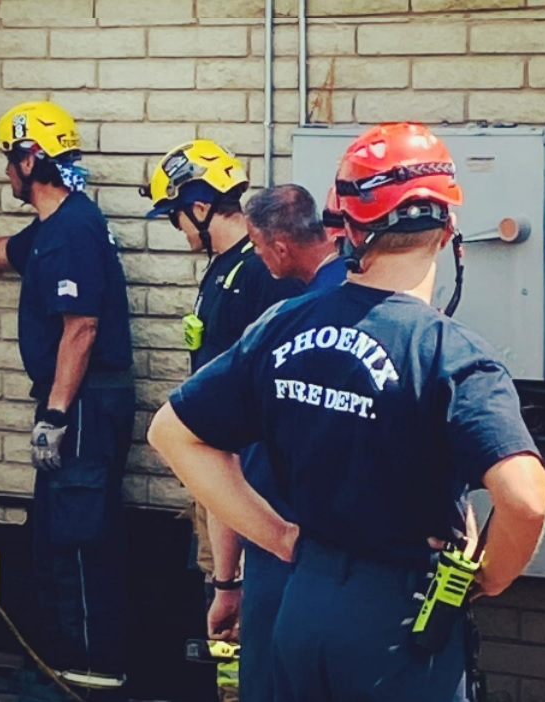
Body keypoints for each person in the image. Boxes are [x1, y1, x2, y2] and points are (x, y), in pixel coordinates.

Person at [146, 122, 545, 701]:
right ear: (448, 228)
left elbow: (171, 433)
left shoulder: (282, 326)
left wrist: (282, 537)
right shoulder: (450, 354)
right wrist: (487, 576)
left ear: (344, 224)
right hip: (399, 619)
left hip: (302, 599)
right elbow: (527, 497)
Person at [0, 101, 134, 692]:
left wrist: (57, 415)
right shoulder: (53, 228)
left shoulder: (71, 235)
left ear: (30, 158)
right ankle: (66, 664)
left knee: (78, 536)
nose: (5, 172)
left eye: (9, 159)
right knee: (58, 531)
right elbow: (11, 251)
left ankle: (90, 676)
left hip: (82, 403)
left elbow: (81, 328)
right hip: (75, 401)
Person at [140, 139, 304, 702]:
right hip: (218, 479)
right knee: (226, 633)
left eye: (175, 216)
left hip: (246, 481)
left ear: (200, 206)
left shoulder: (260, 275)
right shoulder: (223, 271)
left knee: (237, 623)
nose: (178, 230)